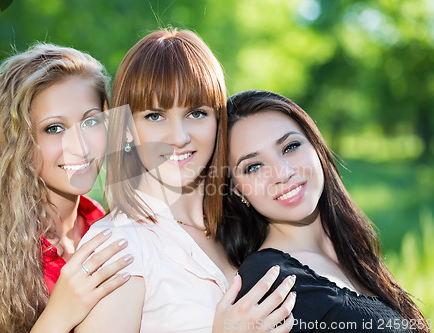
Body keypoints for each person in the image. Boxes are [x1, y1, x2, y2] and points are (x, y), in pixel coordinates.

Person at [76, 29, 296, 333]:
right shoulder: (120, 246)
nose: (179, 138)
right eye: (155, 116)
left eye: (196, 113)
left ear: (219, 119)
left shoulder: (245, 224)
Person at [0, 43, 134, 333]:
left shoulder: (110, 230)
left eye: (90, 121)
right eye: (54, 128)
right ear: (16, 143)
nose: (80, 145)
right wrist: (58, 316)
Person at [220, 90, 430, 332]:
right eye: (253, 166)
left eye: (290, 147)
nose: (282, 173)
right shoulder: (269, 281)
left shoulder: (350, 251)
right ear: (237, 189)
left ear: (316, 146)